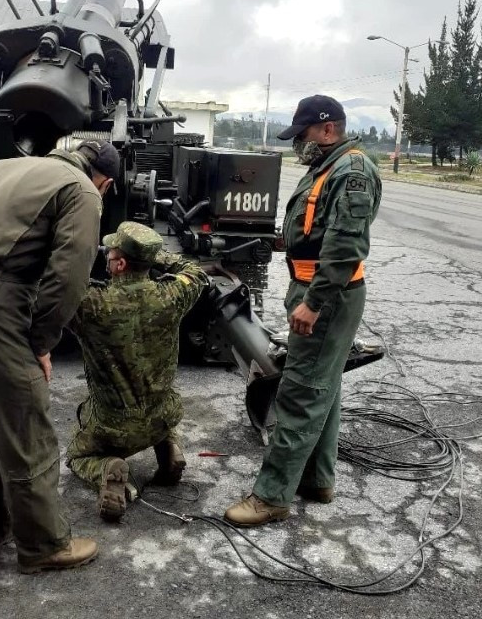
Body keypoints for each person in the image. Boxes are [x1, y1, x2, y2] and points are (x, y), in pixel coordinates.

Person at [0, 140, 120, 573]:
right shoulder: (83, 192)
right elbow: (69, 277)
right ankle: (44, 546)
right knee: (26, 426)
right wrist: (40, 342)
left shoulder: (2, 166)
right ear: (104, 182)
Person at [224, 95, 382, 526]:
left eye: (304, 134)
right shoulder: (328, 166)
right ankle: (317, 479)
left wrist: (314, 303)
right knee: (323, 388)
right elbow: (320, 229)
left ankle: (271, 496)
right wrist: (286, 241)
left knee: (298, 393)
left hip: (326, 296)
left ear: (328, 128)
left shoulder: (350, 172)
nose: (299, 144)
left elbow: (346, 245)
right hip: (318, 289)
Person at [67, 221, 209, 522]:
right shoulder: (171, 296)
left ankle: (106, 470)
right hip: (161, 416)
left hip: (112, 429)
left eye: (111, 252)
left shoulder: (92, 304)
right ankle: (168, 446)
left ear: (119, 264)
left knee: (76, 455)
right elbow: (195, 272)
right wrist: (158, 257)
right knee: (161, 409)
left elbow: (51, 288)